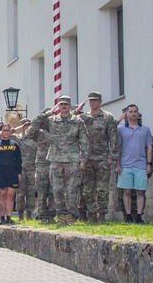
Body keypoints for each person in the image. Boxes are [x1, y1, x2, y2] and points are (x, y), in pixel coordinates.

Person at [26, 96, 89, 225]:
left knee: (72, 189)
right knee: (57, 189)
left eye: (66, 104)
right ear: (58, 106)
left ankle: (70, 215)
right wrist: (45, 114)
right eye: (61, 104)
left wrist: (84, 159)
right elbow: (31, 130)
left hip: (72, 159)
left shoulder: (77, 122)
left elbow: (84, 140)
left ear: (70, 105)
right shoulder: (51, 121)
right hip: (55, 159)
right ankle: (60, 215)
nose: (64, 106)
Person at [75, 91, 119, 222]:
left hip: (102, 158)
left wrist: (112, 156)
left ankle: (102, 215)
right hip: (87, 158)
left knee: (102, 189)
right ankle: (92, 214)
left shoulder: (107, 117)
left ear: (100, 101)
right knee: (87, 190)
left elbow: (113, 138)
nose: (92, 102)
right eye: (90, 100)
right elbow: (70, 123)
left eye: (95, 100)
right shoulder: (83, 118)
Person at [116, 104, 153, 223]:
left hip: (140, 164)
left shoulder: (145, 129)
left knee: (140, 191)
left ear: (138, 113)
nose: (133, 113)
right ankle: (128, 216)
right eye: (130, 111)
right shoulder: (120, 129)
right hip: (125, 164)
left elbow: (149, 147)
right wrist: (117, 164)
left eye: (135, 111)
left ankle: (138, 216)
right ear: (127, 114)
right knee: (126, 191)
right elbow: (117, 147)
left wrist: (149, 164)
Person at [0, 123, 22, 224]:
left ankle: (9, 217)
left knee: (10, 195)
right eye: (4, 130)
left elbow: (18, 160)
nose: (6, 132)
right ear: (1, 132)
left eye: (8, 130)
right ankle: (2, 217)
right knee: (2, 195)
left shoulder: (15, 144)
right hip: (0, 171)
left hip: (12, 172)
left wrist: (19, 173)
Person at [12, 119, 35, 221]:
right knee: (20, 193)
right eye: (25, 126)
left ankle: (29, 214)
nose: (27, 127)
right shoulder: (17, 138)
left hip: (32, 169)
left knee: (31, 193)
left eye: (28, 125)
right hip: (20, 170)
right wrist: (19, 128)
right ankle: (20, 214)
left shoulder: (35, 138)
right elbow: (8, 133)